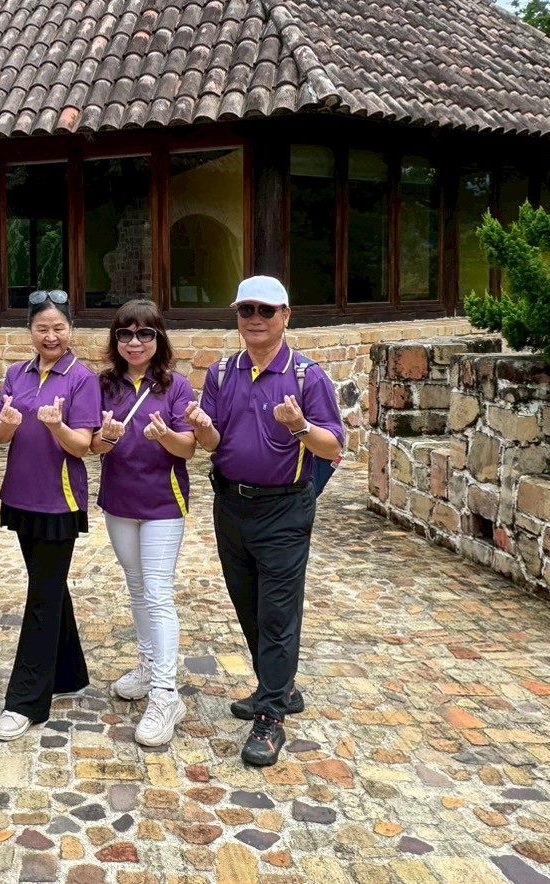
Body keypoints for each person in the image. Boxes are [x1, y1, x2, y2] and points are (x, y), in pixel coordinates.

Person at [188, 275, 344, 766]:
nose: (255, 319)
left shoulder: (306, 376)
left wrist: (300, 426)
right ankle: (280, 686)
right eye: (246, 310)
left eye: (266, 310)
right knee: (248, 603)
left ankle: (271, 714)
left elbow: (333, 446)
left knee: (277, 612)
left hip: (284, 510)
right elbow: (212, 442)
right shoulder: (221, 373)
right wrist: (202, 428)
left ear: (285, 316)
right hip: (231, 505)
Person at [0, 290, 99, 741]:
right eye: (42, 328)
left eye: (58, 328)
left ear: (70, 329)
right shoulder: (15, 374)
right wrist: (7, 424)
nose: (50, 336)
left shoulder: (82, 379)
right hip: (20, 496)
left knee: (41, 595)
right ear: (30, 332)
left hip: (60, 501)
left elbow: (84, 445)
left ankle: (26, 701)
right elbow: (0, 437)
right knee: (48, 586)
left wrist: (56, 426)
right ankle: (69, 672)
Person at [88, 299, 196, 747]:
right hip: (119, 500)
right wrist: (106, 438)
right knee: (135, 585)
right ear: (116, 340)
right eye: (126, 334)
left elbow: (189, 447)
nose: (135, 342)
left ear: (158, 338)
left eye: (145, 333)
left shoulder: (175, 386)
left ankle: (166, 693)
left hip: (162, 504)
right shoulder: (103, 386)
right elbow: (92, 445)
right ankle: (149, 664)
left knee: (157, 592)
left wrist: (165, 436)